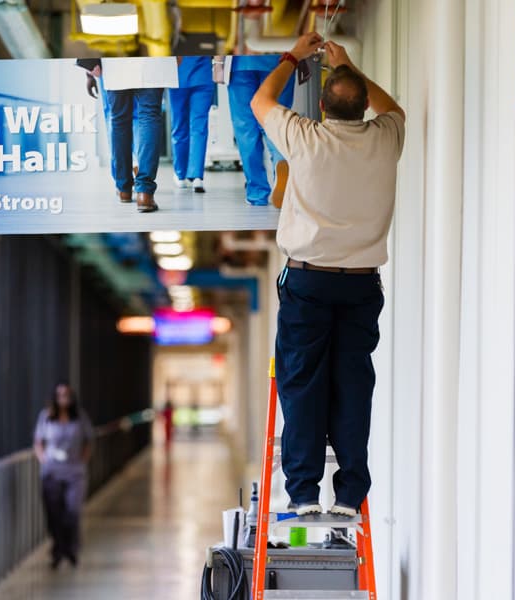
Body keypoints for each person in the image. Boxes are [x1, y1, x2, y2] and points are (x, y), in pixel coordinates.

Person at [250, 33, 406, 517]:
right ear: (363, 107)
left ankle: (302, 494)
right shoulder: (385, 139)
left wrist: (292, 55)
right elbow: (393, 108)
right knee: (353, 385)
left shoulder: (305, 137)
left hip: (309, 282)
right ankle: (348, 495)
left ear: (320, 105)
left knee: (303, 384)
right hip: (361, 284)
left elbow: (261, 100)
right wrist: (350, 65)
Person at [80, 57, 179, 213]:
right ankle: (144, 193)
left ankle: (124, 188)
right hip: (152, 58)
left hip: (116, 60)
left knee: (119, 119)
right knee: (149, 115)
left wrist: (88, 69)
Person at [214, 53, 295, 207]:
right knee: (276, 121)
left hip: (240, 63)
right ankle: (281, 170)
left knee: (245, 129)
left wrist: (217, 63)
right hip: (279, 60)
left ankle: (257, 192)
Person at [33, 382, 94, 568]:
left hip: (74, 472)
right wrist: (43, 459)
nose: (63, 399)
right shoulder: (46, 417)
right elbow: (38, 441)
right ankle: (58, 549)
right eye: (60, 395)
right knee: (54, 514)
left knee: (72, 512)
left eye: (66, 395)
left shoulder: (80, 417)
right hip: (52, 472)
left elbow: (89, 440)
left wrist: (82, 459)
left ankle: (71, 548)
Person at [168, 56, 216, 193]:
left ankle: (181, 174)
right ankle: (196, 177)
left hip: (177, 73)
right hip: (203, 73)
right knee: (199, 127)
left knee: (179, 125)